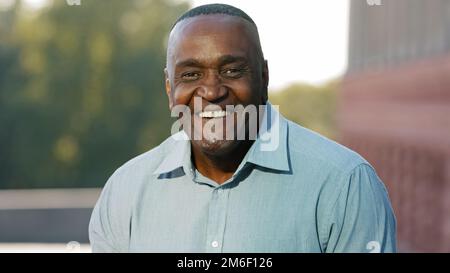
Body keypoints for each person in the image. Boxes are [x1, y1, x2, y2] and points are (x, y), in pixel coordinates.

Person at [89, 3, 396, 253]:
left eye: (232, 70)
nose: (211, 91)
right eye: (192, 74)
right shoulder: (125, 192)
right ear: (170, 90)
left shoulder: (345, 185)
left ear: (263, 78)